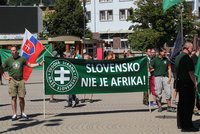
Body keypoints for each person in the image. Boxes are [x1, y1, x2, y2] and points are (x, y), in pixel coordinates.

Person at [2, 46, 43, 121]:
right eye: (11, 51)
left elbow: (30, 65)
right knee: (13, 97)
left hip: (21, 80)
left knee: (22, 97)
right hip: (12, 80)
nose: (12, 52)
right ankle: (14, 114)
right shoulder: (8, 60)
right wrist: (5, 77)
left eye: (14, 50)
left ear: (17, 51)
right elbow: (1, 68)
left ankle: (23, 113)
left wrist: (39, 64)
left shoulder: (22, 59)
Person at [175, 42, 199, 132]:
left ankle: (180, 124)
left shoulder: (177, 57)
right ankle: (188, 126)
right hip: (187, 85)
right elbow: (191, 73)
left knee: (181, 105)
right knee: (188, 106)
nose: (192, 49)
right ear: (187, 48)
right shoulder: (186, 58)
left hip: (180, 83)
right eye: (192, 48)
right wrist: (195, 84)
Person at [151, 48, 175, 112]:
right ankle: (159, 106)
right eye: (164, 52)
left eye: (165, 52)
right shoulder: (154, 60)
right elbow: (150, 67)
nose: (165, 53)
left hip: (165, 77)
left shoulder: (166, 60)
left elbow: (169, 68)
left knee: (168, 92)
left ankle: (169, 107)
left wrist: (169, 77)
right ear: (160, 52)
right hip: (157, 77)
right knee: (158, 93)